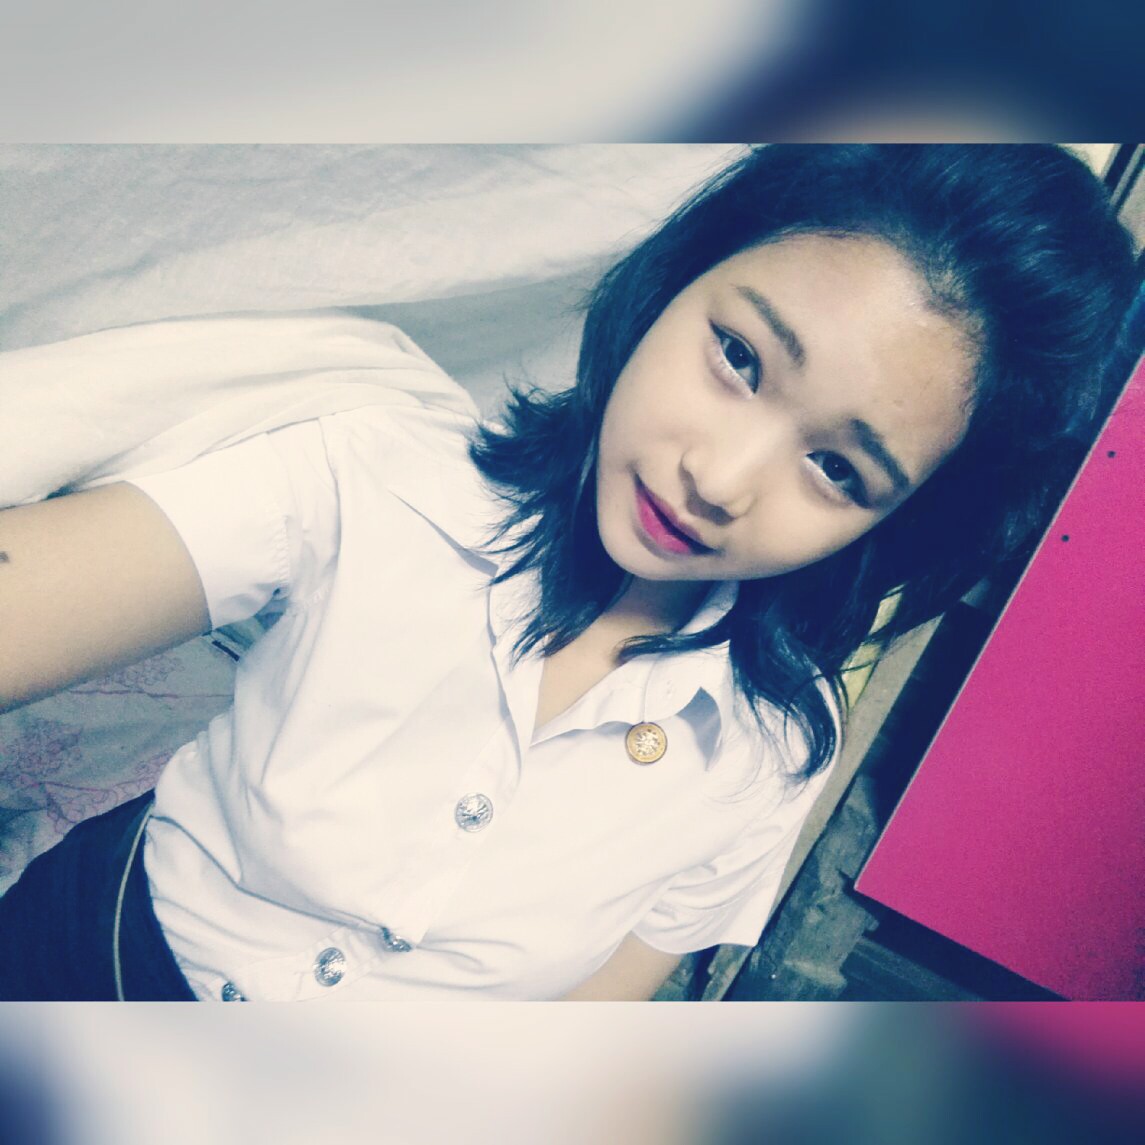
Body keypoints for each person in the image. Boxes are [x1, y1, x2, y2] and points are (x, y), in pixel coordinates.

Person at [0, 144, 1136, 1001]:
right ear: (678, 276)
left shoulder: (770, 746)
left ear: (900, 522)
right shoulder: (374, 472)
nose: (719, 478)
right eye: (737, 355)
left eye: (836, 468)